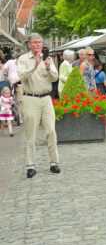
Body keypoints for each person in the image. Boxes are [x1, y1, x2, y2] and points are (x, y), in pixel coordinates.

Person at [17, 33, 61, 179]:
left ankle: (54, 162)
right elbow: (21, 77)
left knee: (51, 131)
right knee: (31, 133)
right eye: (34, 42)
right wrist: (34, 65)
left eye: (39, 42)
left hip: (46, 99)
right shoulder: (23, 59)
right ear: (29, 44)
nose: (37, 45)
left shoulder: (48, 58)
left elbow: (55, 77)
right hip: (30, 98)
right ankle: (30, 165)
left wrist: (48, 68)